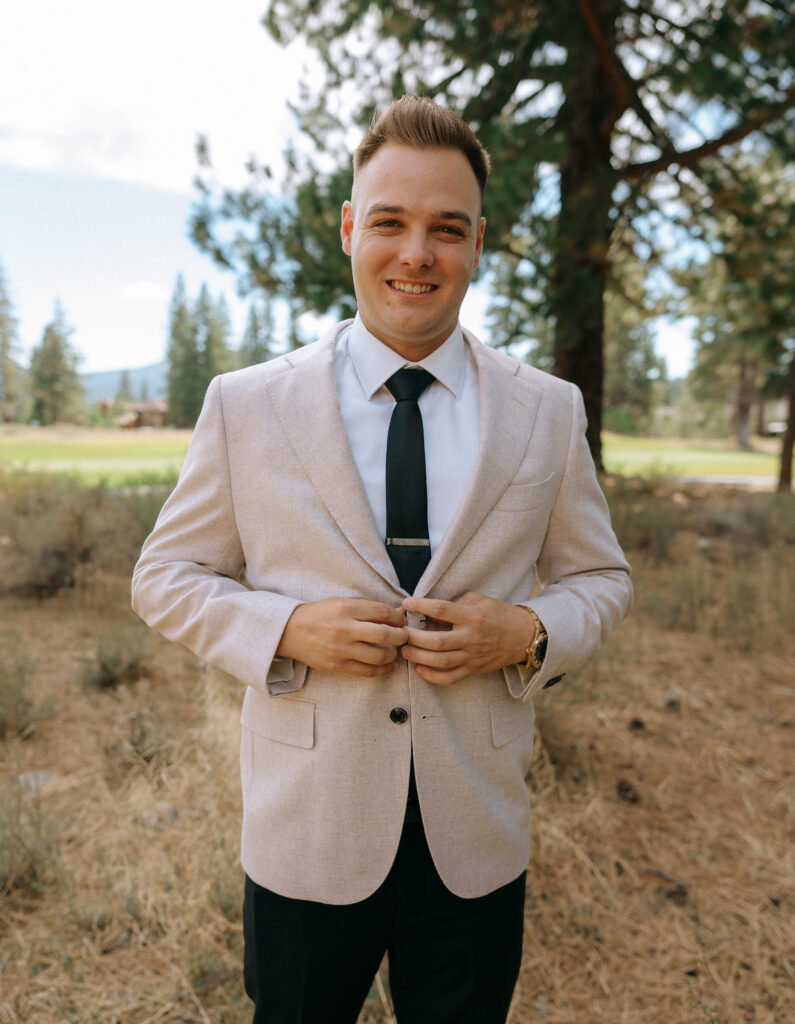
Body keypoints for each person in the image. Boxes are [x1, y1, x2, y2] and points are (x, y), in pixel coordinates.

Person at [132, 95, 632, 1024]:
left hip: (475, 835)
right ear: (350, 228)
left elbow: (600, 580)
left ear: (477, 242)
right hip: (306, 831)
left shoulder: (548, 412)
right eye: (392, 223)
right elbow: (163, 576)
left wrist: (526, 632)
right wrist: (284, 627)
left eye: (446, 228)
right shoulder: (247, 406)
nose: (417, 254)